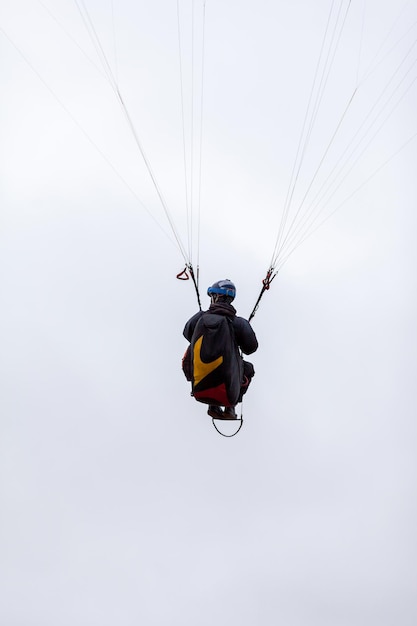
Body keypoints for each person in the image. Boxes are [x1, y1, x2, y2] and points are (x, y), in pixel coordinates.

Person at [183, 279, 258, 420]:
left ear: (216, 297)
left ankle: (213, 406)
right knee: (248, 368)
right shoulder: (238, 323)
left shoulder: (200, 317)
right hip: (227, 388)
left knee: (191, 352)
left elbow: (187, 334)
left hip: (200, 386)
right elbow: (251, 348)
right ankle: (230, 408)